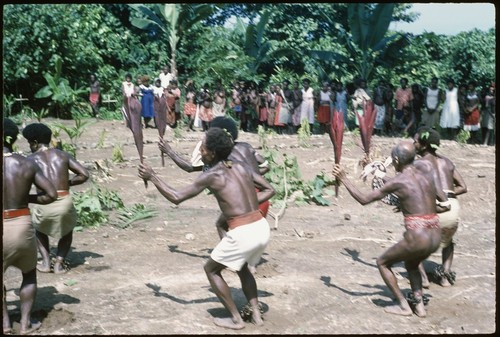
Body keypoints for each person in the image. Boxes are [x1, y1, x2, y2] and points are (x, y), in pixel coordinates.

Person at [139, 127, 275, 330]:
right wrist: (248, 207)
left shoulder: (211, 175)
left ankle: (237, 319)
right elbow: (270, 189)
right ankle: (256, 314)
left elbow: (176, 197)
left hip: (243, 232)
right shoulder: (240, 165)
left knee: (211, 270)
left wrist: (153, 177)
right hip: (261, 227)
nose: (200, 152)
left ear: (212, 153)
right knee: (242, 267)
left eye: (202, 149)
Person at [332, 141, 449, 317]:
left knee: (382, 263)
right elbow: (440, 202)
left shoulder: (399, 181)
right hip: (435, 235)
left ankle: (403, 305)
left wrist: (344, 178)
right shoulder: (426, 173)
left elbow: (364, 199)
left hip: (419, 237)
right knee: (412, 263)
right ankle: (419, 306)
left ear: (395, 160)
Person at [159, 116, 270, 241]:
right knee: (249, 238)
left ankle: (230, 255)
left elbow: (190, 168)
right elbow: (266, 166)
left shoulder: (222, 157)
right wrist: (247, 176)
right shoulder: (246, 147)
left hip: (243, 200)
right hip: (263, 199)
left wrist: (169, 151)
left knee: (223, 226)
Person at [3, 118, 57, 335]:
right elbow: (51, 194)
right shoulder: (26, 163)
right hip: (22, 223)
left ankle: (5, 324)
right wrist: (27, 198)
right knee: (29, 274)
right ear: (14, 138)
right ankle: (25, 324)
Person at [22, 123, 90, 274]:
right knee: (67, 230)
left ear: (34, 142)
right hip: (64, 201)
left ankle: (46, 263)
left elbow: (22, 182)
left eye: (29, 143)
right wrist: (68, 183)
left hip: (44, 201)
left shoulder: (31, 159)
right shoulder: (62, 155)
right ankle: (59, 263)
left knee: (38, 229)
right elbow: (84, 174)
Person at [413, 127, 467, 287]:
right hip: (453, 208)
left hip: (436, 208)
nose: (413, 143)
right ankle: (444, 277)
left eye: (415, 141)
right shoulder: (447, 162)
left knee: (413, 241)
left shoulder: (418, 164)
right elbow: (463, 187)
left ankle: (423, 279)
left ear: (423, 145)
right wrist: (447, 195)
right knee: (449, 243)